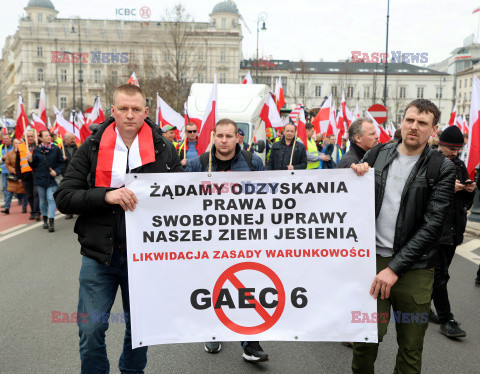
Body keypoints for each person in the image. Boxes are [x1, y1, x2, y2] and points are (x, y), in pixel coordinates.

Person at [54, 84, 182, 374]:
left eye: (136, 109)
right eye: (123, 109)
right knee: (90, 330)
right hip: (99, 255)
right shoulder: (93, 146)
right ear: (112, 111)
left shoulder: (164, 149)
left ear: (146, 112)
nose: (129, 115)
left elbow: (181, 201)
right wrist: (106, 195)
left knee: (140, 332)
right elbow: (63, 197)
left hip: (146, 258)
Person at [350, 99, 455, 374]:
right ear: (401, 122)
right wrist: (356, 173)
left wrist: (395, 267)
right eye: (410, 120)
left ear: (433, 130)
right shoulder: (376, 154)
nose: (414, 127)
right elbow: (351, 202)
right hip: (372, 262)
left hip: (416, 268)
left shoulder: (440, 168)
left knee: (410, 347)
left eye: (422, 123)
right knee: (366, 339)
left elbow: (433, 226)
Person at [185, 118, 269, 363]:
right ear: (213, 136)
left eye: (229, 136)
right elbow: (181, 203)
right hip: (207, 241)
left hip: (244, 239)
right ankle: (213, 330)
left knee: (247, 287)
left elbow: (269, 199)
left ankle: (250, 342)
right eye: (219, 136)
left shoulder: (254, 164)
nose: (224, 141)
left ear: (237, 138)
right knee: (213, 286)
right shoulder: (197, 165)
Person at [429, 126, 475, 338]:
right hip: (436, 229)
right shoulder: (431, 161)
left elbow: (465, 204)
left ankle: (422, 307)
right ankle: (447, 319)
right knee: (439, 275)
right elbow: (425, 196)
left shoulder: (459, 164)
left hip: (455, 229)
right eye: (451, 148)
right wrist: (449, 188)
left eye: (459, 149)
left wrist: (468, 190)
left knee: (442, 274)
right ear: (441, 144)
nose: (455, 152)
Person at [27, 130, 64, 232]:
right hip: (40, 179)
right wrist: (30, 161)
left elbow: (62, 163)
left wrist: (56, 172)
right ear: (40, 138)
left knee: (51, 200)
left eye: (49, 136)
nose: (48, 137)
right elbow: (33, 166)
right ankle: (45, 219)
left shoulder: (56, 149)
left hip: (52, 180)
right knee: (43, 201)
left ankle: (51, 222)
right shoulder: (37, 150)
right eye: (46, 136)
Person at [4, 138, 27, 213]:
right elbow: (7, 164)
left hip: (23, 174)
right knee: (9, 192)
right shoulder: (10, 153)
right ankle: (7, 208)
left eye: (18, 143)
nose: (17, 145)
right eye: (16, 143)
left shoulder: (24, 152)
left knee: (24, 193)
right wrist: (14, 171)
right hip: (13, 176)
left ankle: (24, 207)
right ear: (13, 144)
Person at [62, 132, 78, 219]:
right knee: (67, 194)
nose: (73, 140)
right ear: (66, 140)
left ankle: (77, 210)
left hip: (76, 173)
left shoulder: (77, 147)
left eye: (74, 138)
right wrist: (62, 159)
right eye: (71, 139)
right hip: (66, 174)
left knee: (77, 193)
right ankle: (69, 211)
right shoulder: (61, 149)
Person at [1, 133, 14, 213]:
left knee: (15, 189)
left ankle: (21, 200)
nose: (5, 140)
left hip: (12, 171)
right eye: (4, 138)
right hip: (4, 171)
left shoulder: (13, 148)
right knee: (6, 188)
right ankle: (7, 206)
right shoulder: (1, 148)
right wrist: (3, 158)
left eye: (7, 138)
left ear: (10, 139)